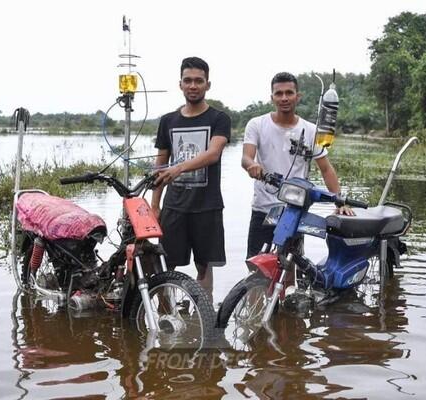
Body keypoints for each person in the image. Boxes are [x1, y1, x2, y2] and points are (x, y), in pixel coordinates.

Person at [241, 71, 354, 260]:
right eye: (279, 94)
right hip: (263, 210)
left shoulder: (310, 130)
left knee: (291, 269)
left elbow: (326, 169)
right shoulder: (257, 124)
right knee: (256, 268)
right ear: (272, 98)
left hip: (294, 212)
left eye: (289, 93)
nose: (284, 98)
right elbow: (246, 157)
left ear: (297, 96)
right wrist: (252, 165)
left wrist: (339, 200)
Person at [151, 56, 231, 295]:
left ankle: (204, 316)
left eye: (199, 80)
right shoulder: (168, 121)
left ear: (208, 84)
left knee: (204, 266)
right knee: (165, 264)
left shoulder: (219, 119)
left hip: (207, 206)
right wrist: (155, 205)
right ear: (180, 85)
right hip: (174, 206)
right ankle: (166, 319)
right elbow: (160, 165)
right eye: (188, 80)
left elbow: (213, 153)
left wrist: (179, 168)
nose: (193, 85)